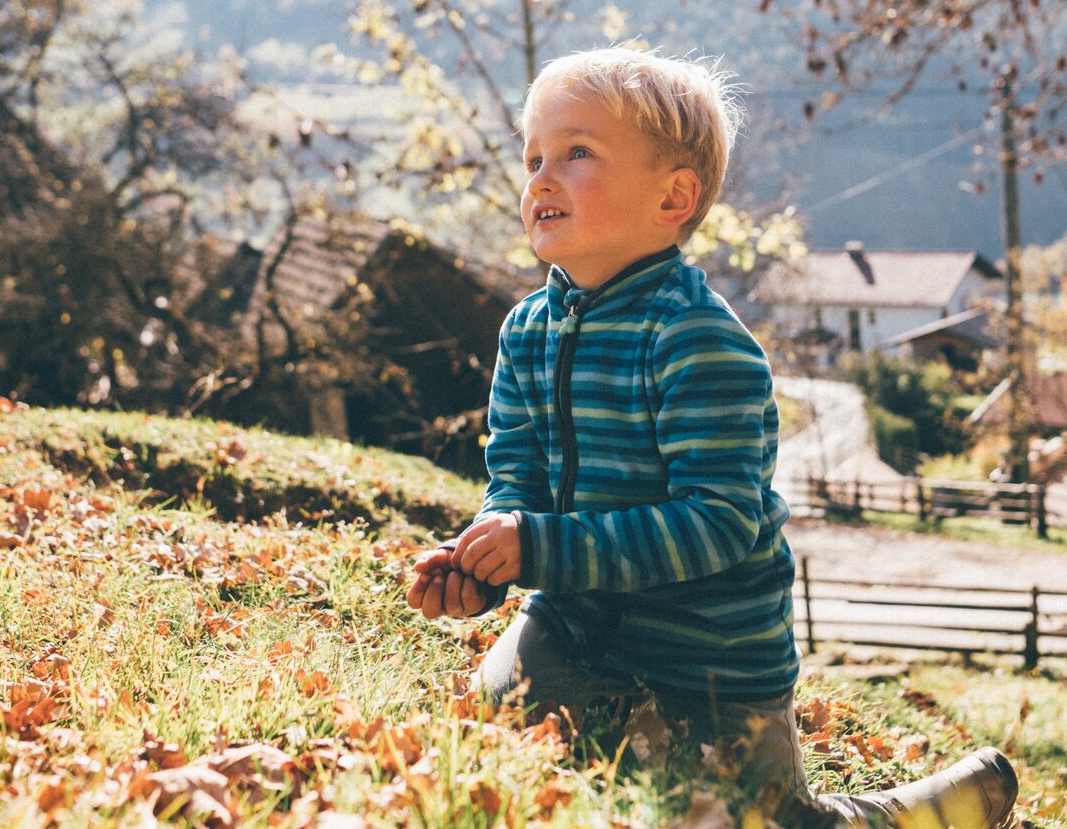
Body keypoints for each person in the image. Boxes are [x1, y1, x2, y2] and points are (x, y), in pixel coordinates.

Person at [406, 47, 1018, 828]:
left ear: (675, 197)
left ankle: (930, 810)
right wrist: (489, 560)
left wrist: (545, 546)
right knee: (494, 734)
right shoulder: (527, 330)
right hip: (574, 623)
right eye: (533, 159)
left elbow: (720, 523)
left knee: (745, 821)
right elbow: (516, 476)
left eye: (577, 152)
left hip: (707, 660)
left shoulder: (697, 339)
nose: (541, 179)